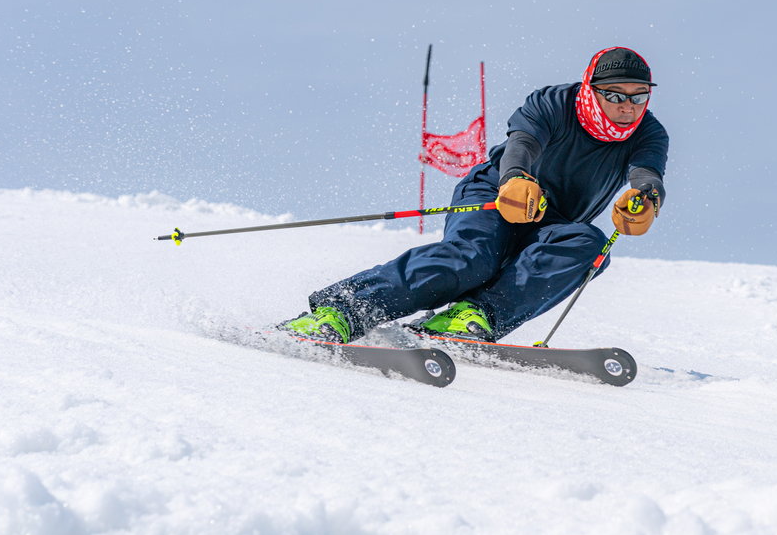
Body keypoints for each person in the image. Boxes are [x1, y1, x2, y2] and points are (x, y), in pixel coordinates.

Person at [280, 46, 669, 343]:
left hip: (556, 223)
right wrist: (515, 178)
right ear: (591, 89)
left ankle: (471, 316)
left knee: (590, 245)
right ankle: (342, 311)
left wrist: (644, 201)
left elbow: (646, 174)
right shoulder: (556, 102)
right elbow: (524, 142)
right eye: (615, 95)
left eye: (638, 96)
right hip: (497, 195)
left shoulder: (649, 132)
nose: (628, 107)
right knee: (473, 258)